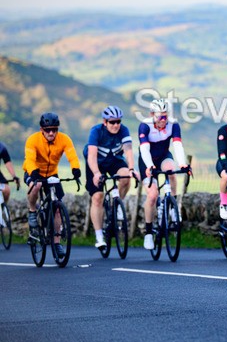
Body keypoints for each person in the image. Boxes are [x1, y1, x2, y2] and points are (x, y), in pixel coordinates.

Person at [22, 113, 81, 258]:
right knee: (35, 187)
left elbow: (72, 156)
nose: (51, 133)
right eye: (48, 130)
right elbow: (29, 159)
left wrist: (76, 169)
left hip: (52, 174)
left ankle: (57, 242)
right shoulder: (33, 140)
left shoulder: (64, 139)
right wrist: (34, 174)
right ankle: (32, 211)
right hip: (33, 171)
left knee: (57, 208)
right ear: (41, 129)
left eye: (54, 130)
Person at [138, 98, 190, 251]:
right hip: (147, 160)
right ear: (152, 115)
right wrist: (149, 166)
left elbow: (177, 145)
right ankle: (148, 232)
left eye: (165, 116)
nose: (163, 120)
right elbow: (144, 150)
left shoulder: (173, 124)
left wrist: (182, 163)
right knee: (153, 195)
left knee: (171, 170)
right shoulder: (145, 126)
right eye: (160, 117)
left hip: (163, 156)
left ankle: (172, 207)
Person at [84, 106, 138, 250]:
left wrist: (132, 169)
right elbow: (92, 155)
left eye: (118, 122)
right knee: (97, 197)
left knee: (126, 176)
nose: (115, 125)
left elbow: (128, 150)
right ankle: (99, 236)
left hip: (114, 160)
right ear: (105, 122)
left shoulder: (123, 130)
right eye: (112, 122)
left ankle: (117, 204)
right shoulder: (96, 131)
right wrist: (96, 173)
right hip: (96, 163)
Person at [0, 140, 20, 210]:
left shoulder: (1, 147)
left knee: (6, 190)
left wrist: (14, 176)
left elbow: (7, 161)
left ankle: (3, 210)